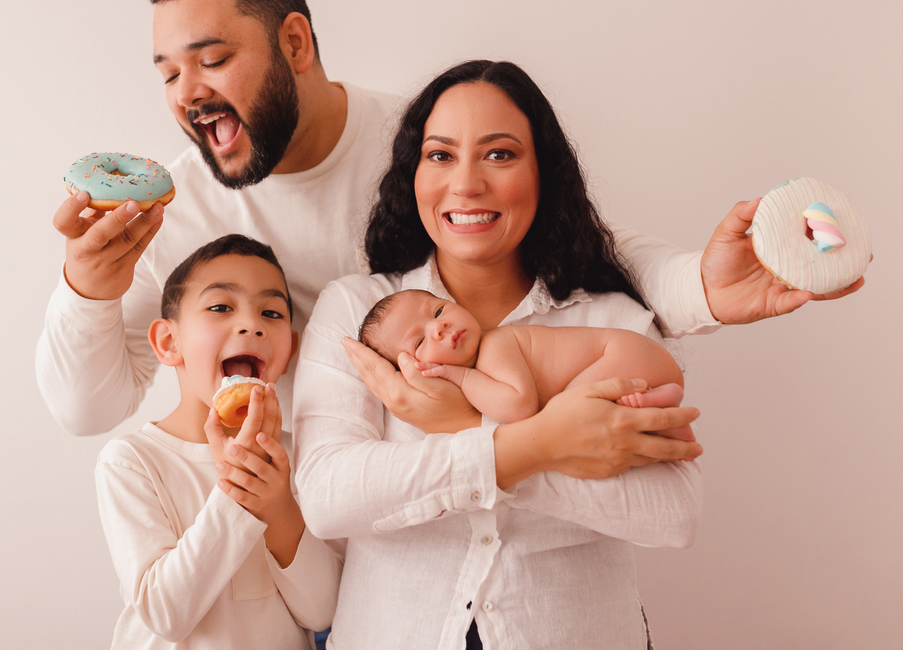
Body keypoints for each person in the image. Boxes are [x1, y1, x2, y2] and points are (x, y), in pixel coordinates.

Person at [37, 0, 862, 461]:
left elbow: (576, 243)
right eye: (168, 73)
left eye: (211, 60)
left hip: (469, 510)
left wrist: (706, 290)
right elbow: (86, 410)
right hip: (312, 553)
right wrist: (87, 290)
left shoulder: (426, 148)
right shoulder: (177, 211)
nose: (188, 94)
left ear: (295, 41)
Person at [292, 60, 706, 649]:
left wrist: (464, 428)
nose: (465, 184)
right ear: (413, 173)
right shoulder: (362, 312)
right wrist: (533, 446)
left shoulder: (611, 320)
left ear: (544, 175)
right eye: (440, 155)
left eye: (500, 154)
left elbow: (673, 514)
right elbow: (329, 497)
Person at [95, 234, 339, 649]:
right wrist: (237, 493)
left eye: (271, 312)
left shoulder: (300, 455)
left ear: (290, 350)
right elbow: (166, 614)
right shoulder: (132, 461)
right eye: (221, 307)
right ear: (169, 343)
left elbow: (323, 612)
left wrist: (277, 505)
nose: (251, 324)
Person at [357, 288, 693, 440]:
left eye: (439, 310)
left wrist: (458, 376)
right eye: (420, 341)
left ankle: (658, 402)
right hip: (635, 358)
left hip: (622, 354)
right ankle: (661, 407)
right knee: (579, 416)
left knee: (566, 414)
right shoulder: (488, 361)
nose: (439, 327)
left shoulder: (496, 345)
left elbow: (519, 408)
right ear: (412, 370)